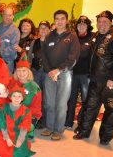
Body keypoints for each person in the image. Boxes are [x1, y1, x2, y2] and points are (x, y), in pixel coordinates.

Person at [73, 11, 113, 145]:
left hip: (111, 82)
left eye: (105, 22)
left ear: (111, 23)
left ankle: (105, 137)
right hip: (96, 79)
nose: (101, 24)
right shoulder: (97, 35)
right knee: (90, 106)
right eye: (99, 21)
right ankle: (84, 131)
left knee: (110, 110)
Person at [40, 10, 80, 140]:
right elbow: (44, 56)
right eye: (57, 18)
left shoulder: (72, 36)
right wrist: (50, 71)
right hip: (49, 74)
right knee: (49, 103)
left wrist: (58, 70)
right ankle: (49, 127)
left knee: (61, 104)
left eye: (62, 18)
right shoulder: (49, 36)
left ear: (66, 21)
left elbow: (73, 57)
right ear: (54, 20)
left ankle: (58, 130)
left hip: (65, 73)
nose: (59, 21)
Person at [0, 80, 35, 157]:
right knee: (0, 146)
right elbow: (2, 124)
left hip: (18, 133)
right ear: (10, 97)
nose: (16, 98)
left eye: (19, 96)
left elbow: (25, 127)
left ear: (22, 98)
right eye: (14, 96)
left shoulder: (26, 111)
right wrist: (7, 138)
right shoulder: (3, 108)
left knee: (21, 151)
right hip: (5, 133)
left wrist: (20, 140)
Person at [65, 16, 93, 130]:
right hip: (72, 73)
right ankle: (68, 121)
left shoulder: (93, 38)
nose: (81, 26)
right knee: (71, 99)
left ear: (88, 26)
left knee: (85, 100)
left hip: (86, 74)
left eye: (84, 24)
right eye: (79, 24)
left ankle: (82, 123)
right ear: (76, 26)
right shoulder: (72, 37)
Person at [13, 54, 42, 138]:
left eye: (24, 71)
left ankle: (30, 128)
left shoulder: (34, 88)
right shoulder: (14, 84)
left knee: (22, 135)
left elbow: (36, 108)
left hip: (29, 114)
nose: (21, 73)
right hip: (15, 112)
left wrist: (23, 113)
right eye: (19, 71)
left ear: (28, 72)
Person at [32, 21, 50, 129]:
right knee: (36, 96)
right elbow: (30, 57)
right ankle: (35, 119)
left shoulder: (52, 42)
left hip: (47, 72)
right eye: (41, 28)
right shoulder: (35, 42)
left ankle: (44, 120)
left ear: (49, 30)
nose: (43, 30)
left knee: (46, 97)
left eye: (45, 28)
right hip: (36, 71)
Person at [0, 6, 20, 75]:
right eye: (5, 15)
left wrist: (0, 53)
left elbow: (14, 47)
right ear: (2, 16)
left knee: (6, 84)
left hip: (7, 63)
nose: (8, 17)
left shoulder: (15, 31)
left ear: (13, 16)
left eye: (10, 15)